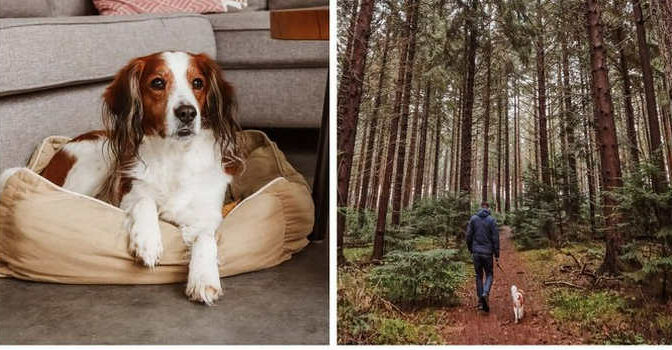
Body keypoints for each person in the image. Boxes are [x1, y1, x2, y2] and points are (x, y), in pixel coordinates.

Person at [466, 201, 500, 312]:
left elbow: (468, 236)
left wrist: (471, 249)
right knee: (489, 274)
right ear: (488, 208)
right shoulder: (491, 220)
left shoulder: (473, 219)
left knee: (478, 276)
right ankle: (485, 293)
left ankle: (481, 300)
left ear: (481, 207)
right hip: (487, 253)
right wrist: (497, 254)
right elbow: (495, 239)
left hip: (476, 252)